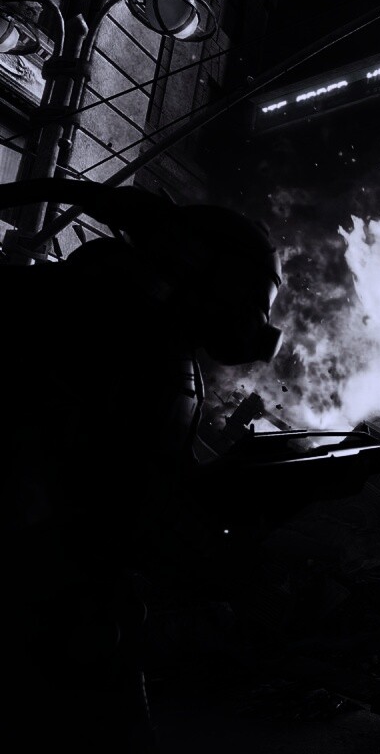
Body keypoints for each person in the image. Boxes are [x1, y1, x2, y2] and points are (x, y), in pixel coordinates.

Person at [0, 179, 283, 751]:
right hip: (41, 593)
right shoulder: (92, 320)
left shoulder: (149, 339)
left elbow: (140, 471)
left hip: (75, 590)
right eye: (249, 298)